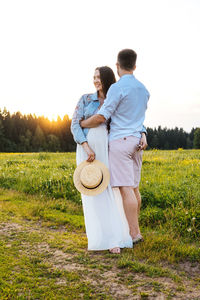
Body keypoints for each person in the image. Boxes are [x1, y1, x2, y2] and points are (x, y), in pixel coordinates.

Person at [80, 49, 149, 244]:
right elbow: (139, 117)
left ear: (117, 66)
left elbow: (103, 116)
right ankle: (134, 228)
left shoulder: (117, 88)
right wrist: (143, 133)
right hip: (137, 142)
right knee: (134, 188)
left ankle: (134, 233)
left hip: (120, 142)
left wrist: (83, 123)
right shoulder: (143, 89)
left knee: (126, 189)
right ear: (134, 66)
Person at [71, 66, 133, 254]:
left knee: (109, 190)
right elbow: (75, 124)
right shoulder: (85, 99)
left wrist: (142, 133)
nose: (95, 80)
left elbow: (130, 120)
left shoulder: (115, 100)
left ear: (107, 78)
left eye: (98, 77)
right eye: (94, 77)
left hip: (108, 148)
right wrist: (86, 146)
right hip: (88, 148)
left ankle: (115, 237)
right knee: (93, 192)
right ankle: (101, 238)